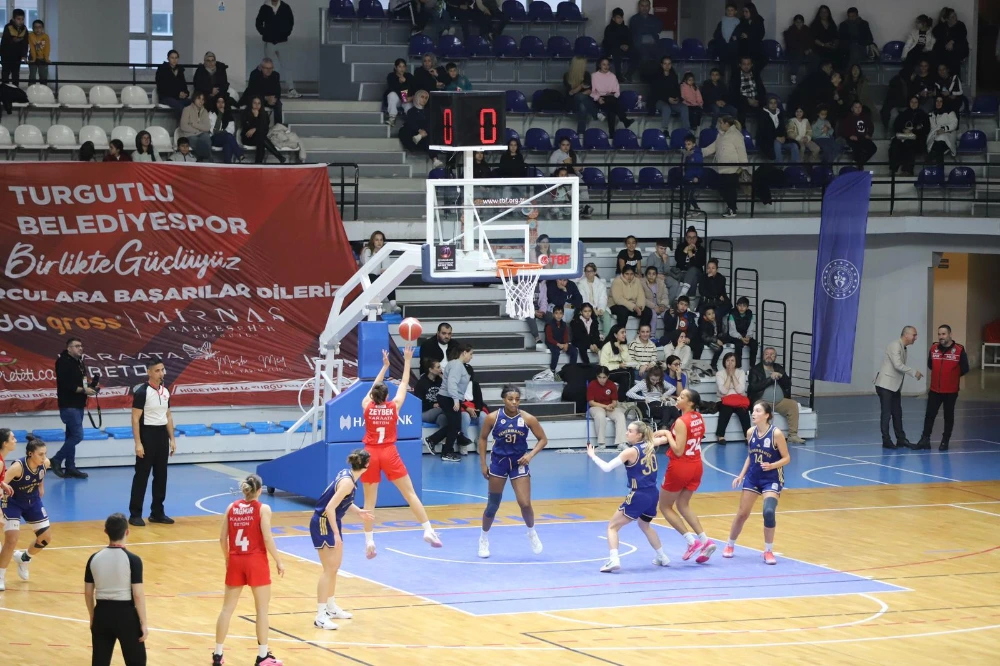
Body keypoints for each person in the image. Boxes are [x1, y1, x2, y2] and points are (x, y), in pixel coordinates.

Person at [361, 348, 442, 555]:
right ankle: (428, 530)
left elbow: (372, 389)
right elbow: (405, 383)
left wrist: (384, 367)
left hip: (370, 453)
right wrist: (406, 361)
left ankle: (369, 541)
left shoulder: (367, 406)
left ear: (373, 396)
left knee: (369, 501)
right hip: (389, 452)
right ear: (387, 395)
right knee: (410, 493)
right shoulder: (395, 406)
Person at [214, 474, 285, 664]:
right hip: (256, 560)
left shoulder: (231, 507)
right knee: (261, 610)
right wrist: (278, 560)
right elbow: (268, 538)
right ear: (260, 490)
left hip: (236, 559)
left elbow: (222, 539)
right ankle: (263, 656)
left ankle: (218, 654)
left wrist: (228, 559)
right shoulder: (264, 509)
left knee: (226, 610)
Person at [588, 422, 672, 572]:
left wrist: (593, 456)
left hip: (638, 494)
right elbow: (665, 438)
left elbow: (607, 468)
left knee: (612, 527)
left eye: (630, 431)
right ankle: (662, 556)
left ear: (639, 435)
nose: (627, 433)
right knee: (644, 525)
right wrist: (660, 433)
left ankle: (613, 560)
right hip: (653, 494)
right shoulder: (650, 444)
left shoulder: (630, 451)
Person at [477, 386, 548, 558]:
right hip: (498, 463)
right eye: (510, 399)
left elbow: (543, 439)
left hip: (518, 463)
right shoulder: (492, 418)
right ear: (503, 399)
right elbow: (483, 438)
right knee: (493, 506)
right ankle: (483, 538)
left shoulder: (528, 418)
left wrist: (530, 455)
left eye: (517, 399)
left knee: (524, 503)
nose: (514, 402)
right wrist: (483, 464)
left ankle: (531, 532)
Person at [310, 450, 374, 631]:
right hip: (323, 522)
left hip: (331, 521)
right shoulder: (347, 482)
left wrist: (358, 511)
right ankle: (320, 616)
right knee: (328, 569)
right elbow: (330, 508)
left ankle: (331, 608)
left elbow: (340, 500)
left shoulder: (348, 477)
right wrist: (336, 534)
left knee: (335, 567)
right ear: (366, 465)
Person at [724, 401, 790, 564]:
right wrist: (741, 475)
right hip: (753, 477)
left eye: (758, 411)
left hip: (771, 478)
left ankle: (768, 551)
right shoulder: (750, 432)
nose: (753, 413)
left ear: (766, 415)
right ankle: (730, 545)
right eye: (753, 411)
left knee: (768, 512)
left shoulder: (776, 434)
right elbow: (750, 456)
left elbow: (787, 458)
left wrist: (772, 465)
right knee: (742, 513)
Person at [657, 389, 716, 563]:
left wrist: (667, 433)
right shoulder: (698, 417)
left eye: (682, 397)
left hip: (680, 466)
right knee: (683, 504)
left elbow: (678, 449)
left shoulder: (681, 421)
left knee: (665, 507)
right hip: (696, 465)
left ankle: (691, 542)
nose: (678, 398)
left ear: (690, 403)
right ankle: (705, 541)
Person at [84, 513, 148, 666]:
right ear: (127, 532)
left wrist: (93, 616)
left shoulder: (94, 558)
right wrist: (144, 623)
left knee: (100, 661)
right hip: (126, 616)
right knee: (136, 661)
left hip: (101, 613)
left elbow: (88, 592)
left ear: (106, 532)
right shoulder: (133, 560)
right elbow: (137, 595)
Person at [129, 359, 177, 526]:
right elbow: (135, 419)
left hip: (161, 435)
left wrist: (172, 439)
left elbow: (168, 416)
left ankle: (157, 512)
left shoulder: (166, 391)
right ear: (149, 373)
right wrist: (138, 443)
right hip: (147, 435)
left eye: (162, 370)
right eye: (157, 370)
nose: (161, 373)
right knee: (141, 476)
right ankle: (135, 514)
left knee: (161, 475)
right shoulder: (142, 392)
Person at [0, 434, 50, 591]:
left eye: (45, 453)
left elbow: (41, 475)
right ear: (30, 454)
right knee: (12, 539)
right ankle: (1, 576)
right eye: (40, 454)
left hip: (32, 501)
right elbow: (1, 482)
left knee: (45, 538)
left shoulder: (45, 463)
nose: (44, 457)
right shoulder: (17, 467)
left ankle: (24, 558)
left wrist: (41, 487)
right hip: (12, 502)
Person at [917, 324, 969, 451]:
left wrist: (952, 376)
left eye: (943, 334)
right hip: (935, 390)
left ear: (950, 334)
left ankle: (945, 441)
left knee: (948, 416)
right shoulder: (934, 348)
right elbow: (931, 364)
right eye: (939, 334)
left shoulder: (959, 350)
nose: (941, 336)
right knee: (929, 415)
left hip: (950, 391)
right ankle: (925, 439)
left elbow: (965, 368)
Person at [875, 328, 925, 450]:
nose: (915, 337)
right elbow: (897, 365)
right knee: (887, 414)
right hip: (885, 385)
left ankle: (901, 439)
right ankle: (886, 440)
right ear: (906, 335)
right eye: (914, 335)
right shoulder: (895, 345)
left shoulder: (903, 347)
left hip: (893, 386)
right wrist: (914, 372)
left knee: (897, 413)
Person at [51, 337, 94, 479]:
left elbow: (81, 382)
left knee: (70, 436)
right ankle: (56, 459)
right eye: (76, 346)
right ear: (69, 348)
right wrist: (83, 391)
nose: (80, 348)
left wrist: (91, 388)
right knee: (77, 435)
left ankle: (70, 467)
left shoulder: (79, 362)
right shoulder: (63, 362)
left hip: (78, 404)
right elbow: (66, 384)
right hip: (69, 405)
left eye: (81, 346)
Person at [749, 347, 806, 444]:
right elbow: (754, 387)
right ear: (763, 356)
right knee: (759, 407)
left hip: (779, 401)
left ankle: (793, 435)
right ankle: (760, 436)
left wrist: (781, 377)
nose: (769, 356)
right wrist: (770, 379)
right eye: (767, 354)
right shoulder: (755, 370)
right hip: (762, 400)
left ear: (775, 357)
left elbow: (788, 384)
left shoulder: (779, 368)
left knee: (792, 405)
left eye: (772, 354)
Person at [701, 115, 747, 218]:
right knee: (724, 189)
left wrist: (744, 167)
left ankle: (732, 209)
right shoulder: (720, 135)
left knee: (729, 190)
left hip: (733, 168)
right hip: (722, 169)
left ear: (726, 124)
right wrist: (697, 152)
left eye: (721, 123)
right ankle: (731, 207)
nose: (719, 125)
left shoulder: (736, 135)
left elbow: (741, 151)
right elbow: (711, 148)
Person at [438, 343, 475, 462]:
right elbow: (452, 383)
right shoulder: (457, 365)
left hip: (448, 397)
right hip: (449, 398)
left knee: (455, 425)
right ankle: (446, 452)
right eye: (471, 354)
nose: (471, 357)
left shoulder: (454, 364)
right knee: (454, 426)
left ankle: (435, 441)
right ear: (464, 352)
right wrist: (455, 399)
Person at [256, 0, 299, 98]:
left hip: (283, 42)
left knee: (287, 65)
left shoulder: (285, 7)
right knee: (267, 67)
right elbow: (258, 22)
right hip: (270, 42)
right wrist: (265, 33)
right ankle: (268, 90)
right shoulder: (265, 7)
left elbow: (290, 22)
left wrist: (285, 34)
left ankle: (291, 89)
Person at [398, 90, 442, 167]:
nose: (424, 100)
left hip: (426, 138)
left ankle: (435, 159)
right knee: (405, 128)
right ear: (417, 97)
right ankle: (420, 135)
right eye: (422, 97)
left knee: (431, 132)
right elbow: (411, 124)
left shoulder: (429, 111)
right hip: (414, 138)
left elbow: (433, 124)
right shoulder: (411, 111)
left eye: (426, 98)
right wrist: (419, 130)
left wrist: (423, 133)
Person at [360, 230, 400, 314]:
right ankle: (377, 305)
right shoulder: (367, 250)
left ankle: (393, 305)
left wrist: (385, 271)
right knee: (372, 277)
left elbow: (387, 266)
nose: (379, 242)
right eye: (377, 240)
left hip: (378, 276)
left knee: (389, 278)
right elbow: (368, 267)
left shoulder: (384, 251)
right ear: (372, 241)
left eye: (381, 240)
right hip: (367, 277)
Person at [588, 365, 628, 448]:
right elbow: (591, 402)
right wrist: (605, 406)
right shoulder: (592, 384)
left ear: (608, 376)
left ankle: (621, 442)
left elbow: (614, 402)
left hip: (609, 407)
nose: (601, 380)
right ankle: (601, 443)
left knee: (620, 415)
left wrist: (612, 405)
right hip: (596, 407)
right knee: (600, 416)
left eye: (604, 377)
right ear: (596, 376)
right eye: (599, 377)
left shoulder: (612, 385)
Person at [889, 95, 929, 176]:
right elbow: (896, 126)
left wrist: (913, 130)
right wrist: (903, 130)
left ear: (918, 103)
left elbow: (926, 129)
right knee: (894, 144)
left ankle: (907, 170)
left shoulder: (923, 115)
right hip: (903, 137)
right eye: (912, 102)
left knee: (910, 145)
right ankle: (893, 168)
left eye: (915, 102)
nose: (913, 104)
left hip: (917, 138)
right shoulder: (904, 114)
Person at [715, 352, 751, 443]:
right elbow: (723, 391)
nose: (730, 363)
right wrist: (729, 376)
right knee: (725, 410)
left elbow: (740, 390)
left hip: (738, 400)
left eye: (732, 361)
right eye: (727, 360)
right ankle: (721, 436)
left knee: (743, 411)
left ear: (736, 362)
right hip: (723, 400)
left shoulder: (741, 372)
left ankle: (748, 436)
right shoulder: (719, 373)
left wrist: (733, 375)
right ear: (724, 362)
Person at [592, 57, 633, 134]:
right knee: (612, 105)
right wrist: (598, 98)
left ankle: (612, 133)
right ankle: (624, 120)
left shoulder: (612, 76)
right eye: (604, 64)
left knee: (611, 107)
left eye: (608, 64)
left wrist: (608, 92)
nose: (606, 66)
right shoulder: (594, 76)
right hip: (600, 99)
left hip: (612, 98)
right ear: (599, 65)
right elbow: (594, 91)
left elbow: (617, 91)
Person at [241, 96, 286, 164]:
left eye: (259, 103)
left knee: (261, 139)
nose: (256, 105)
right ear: (251, 104)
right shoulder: (245, 113)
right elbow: (247, 129)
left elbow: (265, 129)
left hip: (259, 137)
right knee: (261, 138)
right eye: (254, 103)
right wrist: (255, 117)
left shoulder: (264, 114)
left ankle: (258, 164)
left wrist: (255, 128)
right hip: (248, 138)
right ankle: (279, 157)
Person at [241, 58, 284, 125]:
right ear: (261, 67)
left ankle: (278, 126)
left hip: (269, 99)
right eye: (266, 68)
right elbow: (252, 91)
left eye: (271, 68)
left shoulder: (276, 75)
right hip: (256, 97)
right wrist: (265, 98)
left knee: (278, 104)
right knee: (255, 102)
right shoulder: (254, 74)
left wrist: (274, 99)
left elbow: (278, 91)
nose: (269, 70)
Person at [564, 55, 599, 135]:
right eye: (584, 64)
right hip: (572, 102)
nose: (586, 66)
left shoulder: (586, 75)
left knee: (582, 105)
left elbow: (592, 91)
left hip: (586, 101)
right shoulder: (567, 76)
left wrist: (586, 92)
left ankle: (581, 133)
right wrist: (581, 87)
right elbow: (570, 93)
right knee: (578, 97)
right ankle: (596, 114)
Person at [729, 56, 766, 130]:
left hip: (756, 100)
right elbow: (733, 93)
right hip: (742, 101)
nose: (746, 66)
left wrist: (758, 101)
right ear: (740, 65)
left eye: (748, 64)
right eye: (744, 64)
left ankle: (761, 136)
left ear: (751, 65)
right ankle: (743, 133)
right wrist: (747, 100)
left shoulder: (755, 74)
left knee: (764, 113)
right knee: (740, 112)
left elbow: (762, 90)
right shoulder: (735, 76)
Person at [650, 56, 686, 132]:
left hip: (672, 101)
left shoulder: (674, 76)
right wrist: (667, 98)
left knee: (684, 108)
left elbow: (677, 89)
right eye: (665, 64)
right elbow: (655, 92)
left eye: (669, 64)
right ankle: (664, 130)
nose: (667, 66)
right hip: (659, 101)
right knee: (666, 108)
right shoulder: (656, 76)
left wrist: (677, 98)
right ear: (661, 65)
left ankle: (686, 130)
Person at [838, 100, 877, 168]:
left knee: (873, 148)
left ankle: (860, 163)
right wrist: (849, 136)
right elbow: (842, 129)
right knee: (857, 149)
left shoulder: (865, 117)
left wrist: (869, 134)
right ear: (852, 109)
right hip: (853, 139)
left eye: (859, 107)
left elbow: (871, 126)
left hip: (863, 137)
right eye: (856, 107)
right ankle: (859, 164)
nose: (858, 109)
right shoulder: (848, 118)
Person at [575, 263, 611, 335]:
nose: (588, 273)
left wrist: (601, 309)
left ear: (595, 272)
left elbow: (603, 298)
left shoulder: (600, 284)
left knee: (606, 316)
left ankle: (606, 339)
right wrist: (593, 309)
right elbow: (584, 299)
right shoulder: (581, 284)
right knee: (590, 315)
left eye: (590, 271)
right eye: (587, 271)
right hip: (587, 307)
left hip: (599, 307)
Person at [759, 96, 798, 163]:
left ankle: (794, 166)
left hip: (780, 139)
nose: (773, 105)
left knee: (794, 145)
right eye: (771, 103)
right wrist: (776, 137)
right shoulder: (763, 115)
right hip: (768, 141)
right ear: (768, 104)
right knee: (777, 143)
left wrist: (783, 136)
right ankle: (779, 165)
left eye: (775, 103)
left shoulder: (780, 113)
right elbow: (764, 131)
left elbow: (783, 128)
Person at [629, 0, 663, 73]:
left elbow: (659, 28)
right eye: (642, 5)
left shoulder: (654, 18)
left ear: (649, 7)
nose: (644, 8)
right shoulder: (634, 19)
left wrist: (644, 28)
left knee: (662, 56)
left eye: (646, 6)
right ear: (639, 7)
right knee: (644, 57)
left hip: (654, 45)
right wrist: (650, 28)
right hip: (639, 45)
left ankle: (657, 77)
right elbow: (635, 31)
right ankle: (645, 78)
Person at [932, 8, 969, 74]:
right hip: (945, 51)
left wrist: (952, 41)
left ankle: (954, 79)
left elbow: (962, 35)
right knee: (938, 51)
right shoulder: (943, 26)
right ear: (947, 19)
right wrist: (942, 24)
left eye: (955, 15)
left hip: (958, 50)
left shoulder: (960, 25)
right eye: (952, 17)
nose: (955, 18)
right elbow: (936, 33)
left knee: (952, 58)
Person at [926, 95, 957, 172]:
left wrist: (944, 129)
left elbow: (954, 124)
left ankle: (937, 170)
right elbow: (931, 127)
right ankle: (938, 172)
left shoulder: (950, 112)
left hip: (947, 136)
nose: (938, 103)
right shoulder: (931, 114)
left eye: (941, 101)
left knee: (940, 141)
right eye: (937, 101)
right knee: (937, 145)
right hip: (935, 137)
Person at [209, 95, 244, 164]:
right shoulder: (211, 113)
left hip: (227, 138)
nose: (220, 104)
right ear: (215, 103)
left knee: (228, 143)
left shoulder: (228, 114)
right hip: (214, 139)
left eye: (222, 102)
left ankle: (227, 165)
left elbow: (231, 130)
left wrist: (222, 132)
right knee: (228, 137)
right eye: (218, 102)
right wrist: (220, 115)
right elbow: (215, 131)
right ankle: (239, 154)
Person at [673, 226, 705, 299]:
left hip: (697, 273)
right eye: (689, 237)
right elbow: (679, 262)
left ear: (696, 238)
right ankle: (690, 301)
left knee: (693, 270)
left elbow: (697, 265)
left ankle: (682, 294)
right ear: (686, 238)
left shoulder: (701, 250)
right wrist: (685, 251)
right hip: (682, 273)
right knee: (693, 279)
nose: (691, 240)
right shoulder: (680, 247)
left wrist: (690, 253)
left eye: (694, 238)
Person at [646, 240, 682, 305]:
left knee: (675, 284)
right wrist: (657, 275)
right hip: (654, 277)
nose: (663, 251)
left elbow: (667, 272)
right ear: (656, 248)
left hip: (665, 276)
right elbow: (648, 271)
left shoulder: (666, 256)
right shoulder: (652, 257)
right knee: (660, 284)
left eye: (664, 249)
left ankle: (667, 304)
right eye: (661, 248)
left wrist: (665, 261)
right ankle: (658, 304)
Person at [603, 8, 634, 82]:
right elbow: (608, 42)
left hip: (625, 49)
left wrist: (627, 46)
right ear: (613, 18)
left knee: (637, 54)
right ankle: (618, 75)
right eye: (618, 17)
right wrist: (620, 46)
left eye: (621, 17)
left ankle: (629, 74)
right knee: (617, 53)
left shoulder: (625, 28)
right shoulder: (609, 28)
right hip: (613, 49)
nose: (620, 19)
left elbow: (630, 40)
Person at [725, 296, 757, 368]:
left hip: (746, 336)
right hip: (734, 336)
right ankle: (738, 367)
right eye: (739, 305)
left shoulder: (750, 314)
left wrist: (748, 337)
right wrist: (741, 338)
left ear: (747, 307)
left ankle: (752, 367)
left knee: (754, 344)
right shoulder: (732, 314)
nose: (742, 308)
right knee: (738, 345)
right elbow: (732, 331)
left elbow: (751, 328)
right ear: (737, 306)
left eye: (744, 306)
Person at [735, 2, 767, 74]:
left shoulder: (759, 20)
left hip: (756, 46)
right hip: (744, 47)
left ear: (751, 11)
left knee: (761, 59)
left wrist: (748, 36)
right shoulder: (742, 21)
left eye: (746, 12)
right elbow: (738, 32)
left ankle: (753, 75)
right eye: (744, 12)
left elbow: (761, 34)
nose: (744, 13)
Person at [155, 49, 190, 114]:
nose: (174, 60)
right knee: (180, 107)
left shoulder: (180, 71)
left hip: (178, 98)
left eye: (176, 58)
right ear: (168, 58)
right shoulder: (162, 70)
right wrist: (177, 94)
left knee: (192, 104)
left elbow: (184, 85)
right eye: (172, 58)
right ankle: (182, 123)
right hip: (166, 97)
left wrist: (185, 93)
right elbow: (162, 88)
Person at [0, 9, 28, 87]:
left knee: (15, 75)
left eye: (22, 19)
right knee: (5, 74)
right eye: (18, 19)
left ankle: (15, 91)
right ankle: (4, 91)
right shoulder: (8, 27)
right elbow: (7, 41)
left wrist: (24, 55)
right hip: (6, 55)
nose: (21, 21)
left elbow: (25, 43)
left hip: (17, 56)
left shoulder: (24, 29)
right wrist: (18, 39)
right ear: (13, 19)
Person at [545, 306, 577, 371]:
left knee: (574, 350)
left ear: (563, 314)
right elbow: (549, 338)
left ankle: (572, 369)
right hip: (552, 343)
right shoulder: (549, 325)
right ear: (553, 314)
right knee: (556, 352)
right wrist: (558, 344)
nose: (558, 315)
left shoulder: (564, 324)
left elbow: (565, 335)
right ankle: (552, 370)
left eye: (560, 313)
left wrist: (565, 344)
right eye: (556, 313)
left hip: (562, 342)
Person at [783, 14, 812, 85]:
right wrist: (803, 50)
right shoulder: (790, 30)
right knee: (798, 55)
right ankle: (793, 74)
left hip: (806, 52)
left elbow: (810, 42)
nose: (799, 24)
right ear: (794, 22)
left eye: (800, 22)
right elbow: (791, 44)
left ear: (803, 22)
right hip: (794, 52)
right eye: (797, 22)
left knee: (814, 57)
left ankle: (811, 77)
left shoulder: (807, 30)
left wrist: (809, 49)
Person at [713, 3, 741, 76]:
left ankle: (734, 85)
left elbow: (739, 34)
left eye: (732, 10)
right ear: (725, 11)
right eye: (728, 10)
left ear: (735, 11)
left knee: (734, 68)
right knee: (722, 68)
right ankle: (721, 85)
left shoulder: (738, 22)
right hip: (723, 48)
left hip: (733, 48)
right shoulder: (722, 22)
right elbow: (716, 34)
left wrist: (736, 37)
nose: (730, 12)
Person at [384, 58, 414, 127]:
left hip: (406, 99)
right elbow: (392, 88)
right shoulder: (391, 76)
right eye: (400, 66)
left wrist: (411, 97)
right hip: (397, 100)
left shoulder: (409, 76)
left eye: (403, 66)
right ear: (395, 67)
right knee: (392, 95)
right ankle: (392, 118)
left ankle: (411, 122)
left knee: (409, 106)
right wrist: (400, 83)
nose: (402, 69)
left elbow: (412, 89)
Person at [680, 133, 703, 213]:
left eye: (689, 144)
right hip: (687, 177)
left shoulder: (697, 154)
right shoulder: (686, 154)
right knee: (688, 195)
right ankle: (696, 209)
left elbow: (699, 166)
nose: (687, 146)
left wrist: (697, 176)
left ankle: (688, 210)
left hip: (693, 178)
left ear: (694, 144)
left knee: (689, 195)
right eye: (686, 144)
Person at [699, 306, 726, 372]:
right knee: (719, 349)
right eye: (709, 314)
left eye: (713, 313)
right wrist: (716, 340)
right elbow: (704, 337)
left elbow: (719, 332)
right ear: (705, 317)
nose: (712, 315)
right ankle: (713, 365)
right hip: (707, 341)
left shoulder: (716, 321)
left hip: (713, 338)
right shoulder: (703, 324)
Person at [27, 19, 49, 86]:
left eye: (39, 27)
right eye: (35, 27)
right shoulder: (31, 36)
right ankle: (30, 91)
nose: (37, 29)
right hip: (32, 56)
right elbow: (32, 48)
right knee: (32, 76)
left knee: (43, 76)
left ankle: (44, 91)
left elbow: (47, 48)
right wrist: (34, 59)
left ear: (42, 28)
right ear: (32, 28)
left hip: (42, 58)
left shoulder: (46, 37)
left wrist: (46, 58)